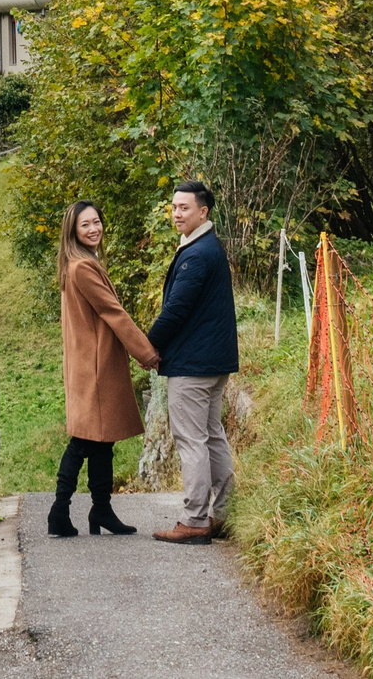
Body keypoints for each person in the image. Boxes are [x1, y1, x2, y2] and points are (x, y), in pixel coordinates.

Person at [50, 199, 159, 537]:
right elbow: (113, 313)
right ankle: (58, 512)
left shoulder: (80, 263)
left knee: (101, 440)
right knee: (83, 440)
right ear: (73, 230)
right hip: (94, 366)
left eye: (96, 222)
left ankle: (101, 510)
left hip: (91, 362)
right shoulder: (82, 267)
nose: (94, 228)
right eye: (86, 224)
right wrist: (146, 352)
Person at [141, 180, 237, 544]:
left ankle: (195, 519)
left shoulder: (197, 254)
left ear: (203, 212)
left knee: (192, 440)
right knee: (212, 436)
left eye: (184, 207)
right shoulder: (207, 247)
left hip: (194, 364)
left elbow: (176, 310)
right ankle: (225, 513)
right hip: (213, 361)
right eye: (174, 207)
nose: (177, 213)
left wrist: (148, 347)